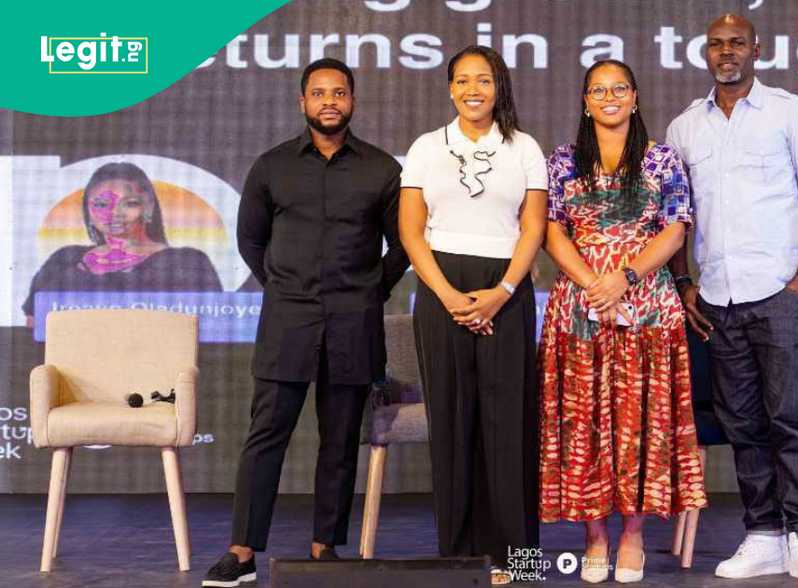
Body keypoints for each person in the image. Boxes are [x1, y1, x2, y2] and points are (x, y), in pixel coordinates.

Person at [201, 58, 408, 587]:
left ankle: (326, 547)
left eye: (339, 92)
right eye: (319, 93)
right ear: (303, 102)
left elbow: (403, 243)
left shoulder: (382, 169)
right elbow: (250, 240)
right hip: (287, 320)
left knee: (339, 441)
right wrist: (284, 285)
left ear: (353, 101)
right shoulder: (271, 167)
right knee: (265, 435)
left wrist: (371, 288)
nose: (329, 101)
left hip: (353, 323)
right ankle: (242, 552)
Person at [667, 14, 798, 585]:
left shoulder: (791, 112)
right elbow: (675, 216)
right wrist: (684, 283)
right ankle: (763, 536)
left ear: (756, 50)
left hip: (780, 293)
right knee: (743, 424)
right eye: (716, 44)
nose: (726, 52)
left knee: (791, 419)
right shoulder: (685, 127)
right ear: (705, 53)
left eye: (736, 43)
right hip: (717, 297)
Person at [538, 59, 708, 584]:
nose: (609, 97)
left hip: (648, 308)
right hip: (578, 310)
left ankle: (633, 535)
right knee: (583, 424)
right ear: (584, 101)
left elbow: (676, 230)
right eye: (597, 90)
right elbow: (548, 230)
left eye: (619, 89)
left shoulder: (661, 161)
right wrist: (595, 283)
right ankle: (593, 536)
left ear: (634, 97)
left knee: (640, 423)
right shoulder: (561, 162)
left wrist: (625, 278)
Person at [398, 45, 546, 586]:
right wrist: (448, 296)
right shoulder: (425, 148)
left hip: (507, 290)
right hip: (441, 292)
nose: (472, 90)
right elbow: (412, 233)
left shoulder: (524, 148)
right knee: (453, 425)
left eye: (483, 80)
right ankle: (458, 561)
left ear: (499, 87)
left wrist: (502, 291)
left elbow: (532, 229)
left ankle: (522, 564)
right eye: (462, 81)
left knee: (510, 427)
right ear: (450, 89)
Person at [22, 162, 221, 325]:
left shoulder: (187, 262)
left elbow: (212, 326)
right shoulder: (63, 260)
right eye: (101, 204)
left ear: (148, 207)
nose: (114, 213)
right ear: (88, 211)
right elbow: (33, 326)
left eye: (129, 203)